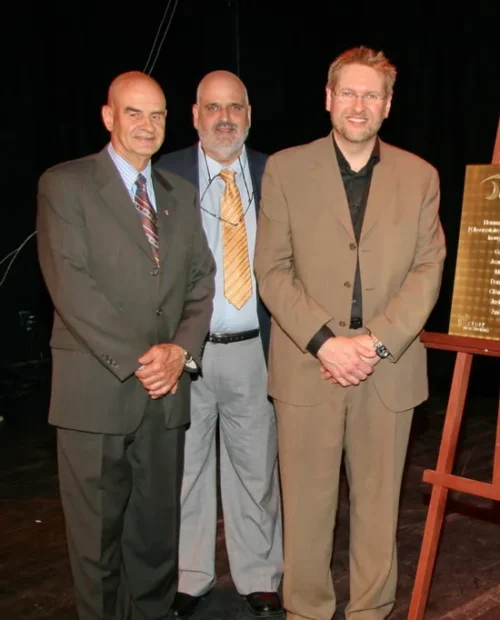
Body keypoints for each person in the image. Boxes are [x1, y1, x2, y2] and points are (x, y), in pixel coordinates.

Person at [253, 46, 446, 620]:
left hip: (388, 369)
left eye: (371, 95)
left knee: (379, 509)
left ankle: (370, 612)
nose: (358, 106)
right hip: (307, 366)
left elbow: (428, 269)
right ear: (328, 98)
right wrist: (326, 343)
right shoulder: (286, 169)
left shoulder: (420, 176)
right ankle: (306, 611)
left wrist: (375, 342)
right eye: (348, 93)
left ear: (388, 105)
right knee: (305, 510)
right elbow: (271, 269)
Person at [36, 71, 216, 620]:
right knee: (96, 546)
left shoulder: (180, 195)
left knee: (156, 540)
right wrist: (146, 361)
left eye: (157, 114)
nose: (147, 124)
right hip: (96, 394)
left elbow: (200, 283)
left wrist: (178, 353)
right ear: (108, 116)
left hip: (165, 396)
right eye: (134, 112)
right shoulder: (65, 185)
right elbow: (72, 288)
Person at [156, 70, 284, 618]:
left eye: (234, 107)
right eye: (213, 107)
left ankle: (259, 575)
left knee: (256, 470)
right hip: (186, 352)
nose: (224, 118)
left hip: (255, 347)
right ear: (195, 116)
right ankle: (189, 577)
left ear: (249, 115)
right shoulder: (165, 175)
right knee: (186, 470)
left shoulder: (276, 174)